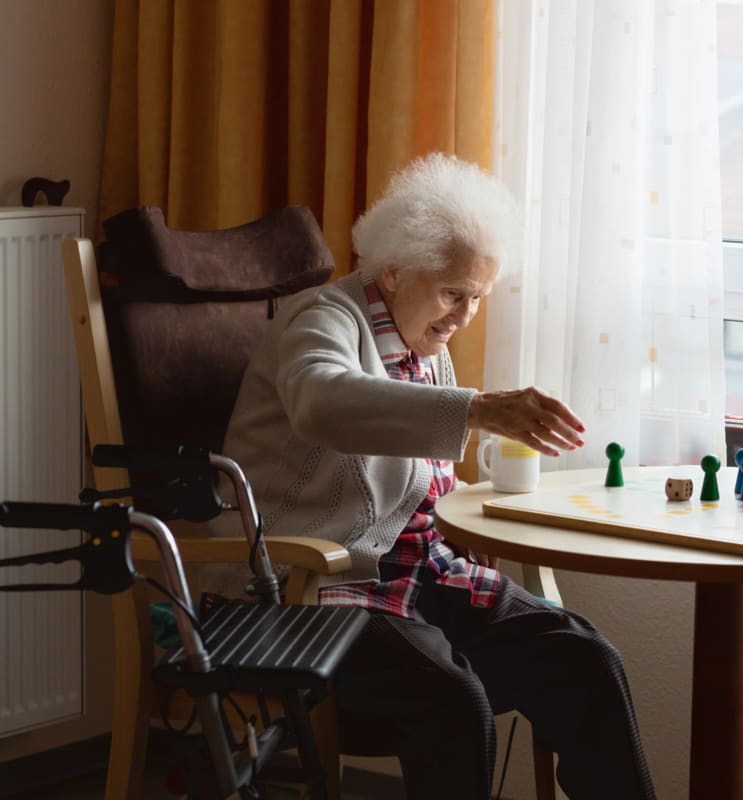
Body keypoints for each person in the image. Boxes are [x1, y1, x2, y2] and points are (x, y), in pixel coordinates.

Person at [221, 153, 656, 799]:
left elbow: (414, 482)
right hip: (309, 589)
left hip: (418, 578)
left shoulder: (425, 346)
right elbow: (321, 400)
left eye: (477, 296)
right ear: (392, 270)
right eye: (453, 292)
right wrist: (479, 410)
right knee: (453, 698)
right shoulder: (324, 319)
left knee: (585, 660)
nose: (463, 315)